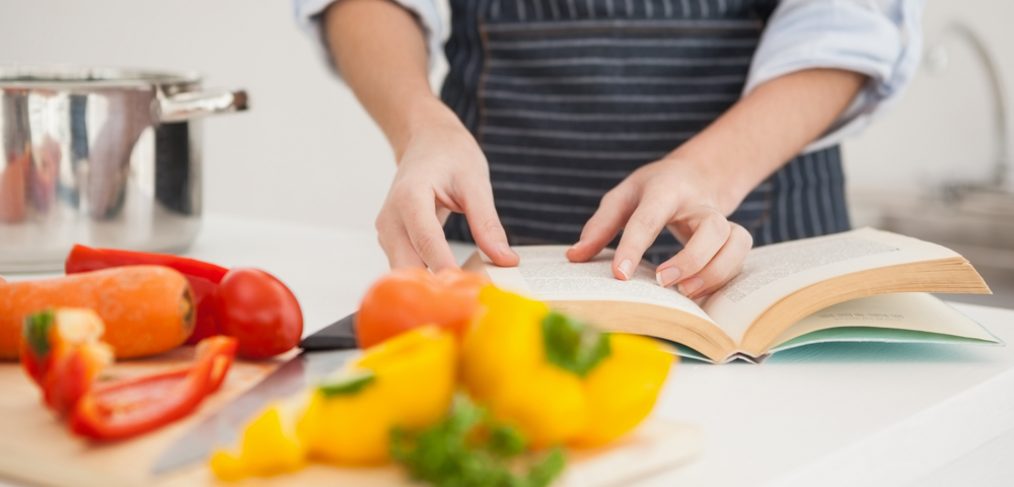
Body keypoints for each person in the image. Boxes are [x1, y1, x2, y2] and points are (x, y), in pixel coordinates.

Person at [294, 0, 923, 297]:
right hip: (494, 270)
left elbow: (851, 19)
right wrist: (419, 125)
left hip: (764, 253)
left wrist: (710, 170)